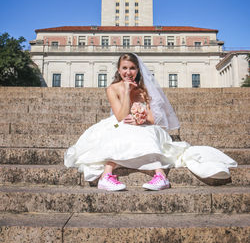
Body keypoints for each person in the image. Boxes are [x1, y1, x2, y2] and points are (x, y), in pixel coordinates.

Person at [64, 53, 237, 191]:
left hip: (142, 125)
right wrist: (125, 90)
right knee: (118, 130)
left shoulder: (143, 90)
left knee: (145, 132)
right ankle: (107, 176)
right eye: (124, 68)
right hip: (117, 123)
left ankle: (160, 177)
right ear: (118, 69)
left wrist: (141, 119)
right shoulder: (112, 89)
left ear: (138, 70)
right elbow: (120, 116)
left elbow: (154, 119)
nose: (128, 72)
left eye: (132, 68)